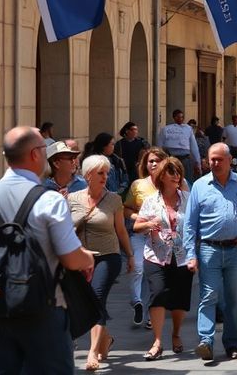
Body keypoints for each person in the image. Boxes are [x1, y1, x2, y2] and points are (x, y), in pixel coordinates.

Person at [0, 126, 95, 373]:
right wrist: (87, 258)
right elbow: (70, 258)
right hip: (44, 310)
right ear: (36, 155)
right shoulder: (49, 200)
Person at [184, 143, 237, 362]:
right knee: (208, 295)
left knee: (233, 300)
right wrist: (191, 254)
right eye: (211, 159)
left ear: (230, 160)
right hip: (209, 250)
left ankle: (231, 344)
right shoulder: (200, 186)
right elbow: (190, 224)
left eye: (220, 159)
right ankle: (206, 341)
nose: (215, 163)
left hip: (236, 251)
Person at [68, 154, 134, 371]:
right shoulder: (72, 198)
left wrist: (130, 255)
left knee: (96, 298)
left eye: (107, 173)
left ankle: (92, 351)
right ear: (87, 175)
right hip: (80, 258)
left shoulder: (114, 200)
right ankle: (105, 340)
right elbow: (65, 230)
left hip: (108, 256)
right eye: (100, 173)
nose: (105, 177)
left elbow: (121, 230)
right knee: (87, 303)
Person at [134, 157, 192, 361]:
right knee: (157, 294)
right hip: (156, 256)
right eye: (171, 172)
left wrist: (196, 256)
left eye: (178, 172)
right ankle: (157, 342)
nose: (176, 176)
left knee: (180, 300)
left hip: (182, 256)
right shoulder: (152, 201)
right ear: (162, 176)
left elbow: (196, 228)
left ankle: (176, 333)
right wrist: (150, 224)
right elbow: (136, 226)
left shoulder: (188, 198)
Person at [123, 147, 168, 327]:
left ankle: (152, 310)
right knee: (138, 268)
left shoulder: (172, 182)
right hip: (140, 234)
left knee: (154, 275)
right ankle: (137, 303)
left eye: (158, 160)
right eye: (150, 161)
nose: (154, 164)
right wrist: (139, 218)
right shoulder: (138, 185)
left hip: (163, 238)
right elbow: (126, 209)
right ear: (145, 164)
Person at [158, 109, 201, 186]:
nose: (180, 119)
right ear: (174, 118)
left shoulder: (188, 129)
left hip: (185, 159)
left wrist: (197, 162)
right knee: (172, 180)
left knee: (187, 181)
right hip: (171, 159)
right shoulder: (166, 130)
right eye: (178, 117)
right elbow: (159, 146)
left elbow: (194, 147)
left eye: (182, 117)